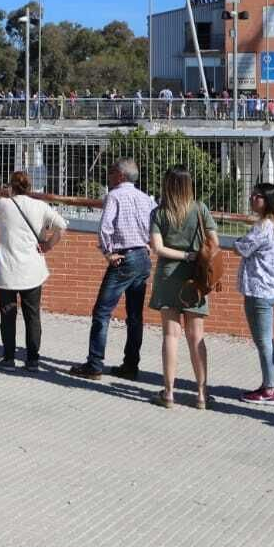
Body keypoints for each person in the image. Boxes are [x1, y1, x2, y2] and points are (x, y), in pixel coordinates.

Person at [71, 159, 156, 382]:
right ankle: (130, 365)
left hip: (123, 258)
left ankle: (95, 363)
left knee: (102, 312)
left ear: (120, 175)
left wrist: (108, 253)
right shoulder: (146, 198)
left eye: (110, 173)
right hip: (142, 257)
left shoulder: (115, 196)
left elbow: (105, 228)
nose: (108, 177)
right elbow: (154, 226)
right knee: (135, 316)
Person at [147, 165, 215, 408]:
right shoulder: (200, 209)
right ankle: (201, 394)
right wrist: (194, 256)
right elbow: (214, 242)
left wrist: (182, 256)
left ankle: (169, 393)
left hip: (168, 276)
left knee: (170, 335)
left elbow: (158, 248)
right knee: (196, 336)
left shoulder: (159, 213)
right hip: (195, 278)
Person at [0, 170, 67, 370]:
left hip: (6, 269)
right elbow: (62, 225)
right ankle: (33, 359)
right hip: (33, 269)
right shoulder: (40, 206)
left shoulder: (2, 204)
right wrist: (49, 245)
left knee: (7, 315)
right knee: (32, 315)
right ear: (29, 187)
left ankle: (8, 358)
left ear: (11, 186)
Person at [235, 182, 274, 404]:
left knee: (264, 341)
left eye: (258, 196)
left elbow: (242, 247)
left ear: (268, 201)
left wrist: (237, 241)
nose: (252, 198)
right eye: (253, 194)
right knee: (266, 340)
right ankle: (269, 384)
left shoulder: (263, 227)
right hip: (268, 289)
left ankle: (269, 390)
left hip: (259, 290)